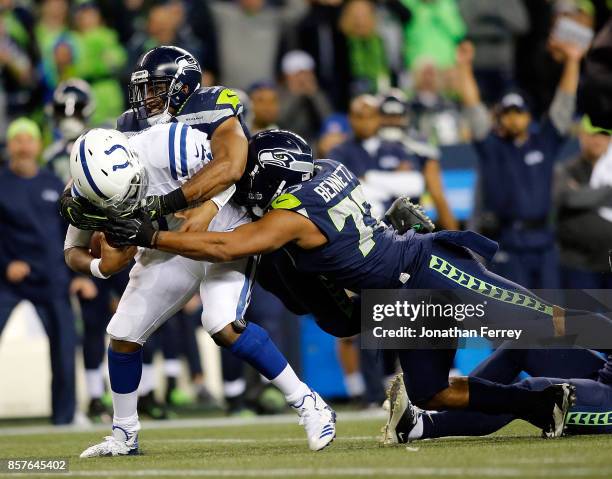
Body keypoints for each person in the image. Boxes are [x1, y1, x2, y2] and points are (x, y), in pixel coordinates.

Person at [105, 129, 612, 438]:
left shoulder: (292, 216)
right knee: (430, 391)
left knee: (545, 321)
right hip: (403, 290)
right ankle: (539, 405)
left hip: (433, 271)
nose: (248, 194)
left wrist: (152, 234)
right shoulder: (328, 169)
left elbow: (227, 247)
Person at [66, 126, 335, 457]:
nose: (129, 199)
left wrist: (211, 205)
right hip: (163, 246)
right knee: (123, 333)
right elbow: (72, 250)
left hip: (222, 226)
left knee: (222, 323)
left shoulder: (167, 144)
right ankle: (124, 434)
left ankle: (309, 403)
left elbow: (234, 166)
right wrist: (100, 268)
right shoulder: (88, 192)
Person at [456, 39, 585, 288]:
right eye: (507, 113)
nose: (513, 119)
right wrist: (464, 67)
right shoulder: (491, 145)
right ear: (499, 117)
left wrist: (573, 61)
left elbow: (564, 103)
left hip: (545, 242)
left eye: (519, 112)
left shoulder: (544, 141)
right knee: (516, 317)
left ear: (529, 115)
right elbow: (472, 107)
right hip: (508, 243)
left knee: (553, 315)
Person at [0, 118, 77, 425]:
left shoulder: (52, 184)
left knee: (64, 351)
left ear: (37, 145)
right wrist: (7, 264)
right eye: (16, 139)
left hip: (52, 278)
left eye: (28, 139)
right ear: (9, 145)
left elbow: (69, 232)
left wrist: (78, 276)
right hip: (8, 281)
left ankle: (64, 419)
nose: (23, 145)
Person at [382, 345, 612, 443]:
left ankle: (421, 426)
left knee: (536, 394)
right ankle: (443, 400)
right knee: (524, 344)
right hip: (605, 375)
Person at [555, 115, 612, 289]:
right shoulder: (566, 169)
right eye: (592, 134)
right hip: (578, 264)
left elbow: (578, 196)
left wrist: (583, 192)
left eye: (603, 134)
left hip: (608, 264)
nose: (597, 139)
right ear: (581, 135)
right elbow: (570, 198)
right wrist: (608, 191)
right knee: (579, 317)